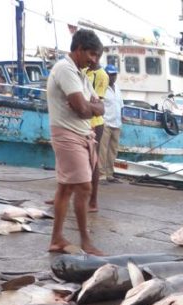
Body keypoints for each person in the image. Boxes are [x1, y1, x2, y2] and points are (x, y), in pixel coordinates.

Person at [46, 28, 105, 256]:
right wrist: (88, 106)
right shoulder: (66, 69)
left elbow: (99, 107)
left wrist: (88, 106)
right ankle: (85, 241)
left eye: (97, 56)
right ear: (79, 49)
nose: (94, 60)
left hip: (82, 135)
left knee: (65, 188)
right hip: (68, 134)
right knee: (84, 187)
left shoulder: (81, 74)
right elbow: (82, 109)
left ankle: (57, 238)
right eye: (92, 54)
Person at [85, 62, 109, 212]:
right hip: (82, 121)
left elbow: (97, 103)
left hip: (94, 123)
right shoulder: (83, 71)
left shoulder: (101, 75)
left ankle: (93, 200)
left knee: (93, 161)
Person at [98, 64, 123, 184]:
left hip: (117, 124)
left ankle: (109, 174)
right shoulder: (102, 88)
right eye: (110, 75)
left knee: (113, 151)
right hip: (106, 123)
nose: (112, 77)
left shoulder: (117, 88)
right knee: (102, 151)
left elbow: (120, 105)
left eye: (114, 74)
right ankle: (101, 175)